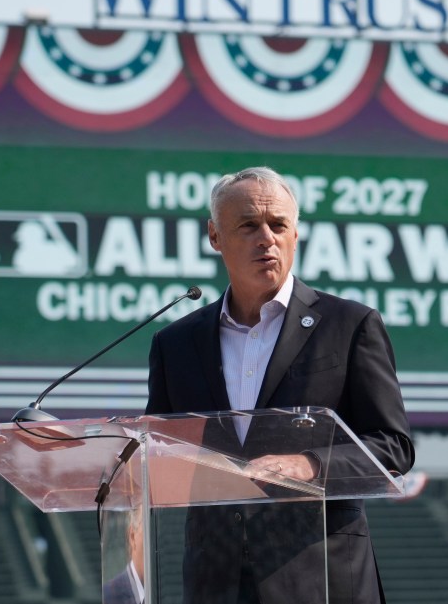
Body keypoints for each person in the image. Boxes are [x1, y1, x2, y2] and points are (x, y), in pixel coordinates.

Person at [147, 166, 415, 604]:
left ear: (296, 234)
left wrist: (310, 465)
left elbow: (393, 447)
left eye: (278, 225)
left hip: (321, 577)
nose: (266, 238)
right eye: (248, 225)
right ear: (215, 236)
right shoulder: (175, 343)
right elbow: (158, 451)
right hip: (216, 581)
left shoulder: (349, 325)